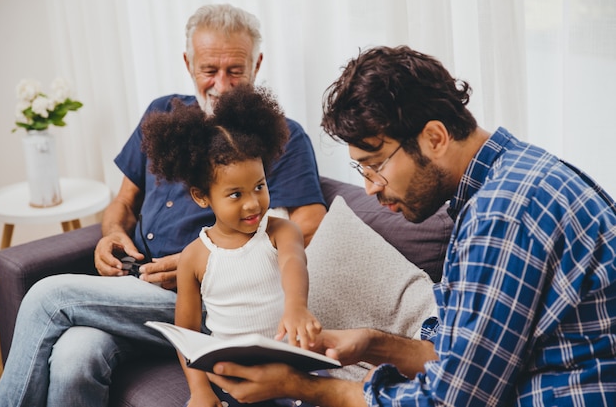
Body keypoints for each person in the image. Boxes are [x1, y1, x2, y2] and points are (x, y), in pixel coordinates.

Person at [207, 45, 616, 406]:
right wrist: (375, 344)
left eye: (375, 165)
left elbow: (451, 400)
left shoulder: (502, 213)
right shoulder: (516, 176)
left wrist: (306, 387)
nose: (368, 189)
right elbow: (468, 360)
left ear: (435, 137)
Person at [0, 4, 326, 407]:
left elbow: (309, 223)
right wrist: (111, 234)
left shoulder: (280, 136)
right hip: (133, 290)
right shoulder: (161, 113)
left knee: (49, 297)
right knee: (73, 357)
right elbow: (123, 203)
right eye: (209, 70)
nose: (221, 84)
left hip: (202, 297)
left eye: (235, 70)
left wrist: (200, 262)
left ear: (257, 64)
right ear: (188, 63)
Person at [142, 85, 322, 406]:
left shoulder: (280, 232)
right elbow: (188, 334)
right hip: (231, 381)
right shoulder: (194, 257)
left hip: (289, 372)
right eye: (236, 194)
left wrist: (296, 307)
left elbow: (293, 263)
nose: (253, 204)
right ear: (202, 196)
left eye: (259, 186)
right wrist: (200, 391)